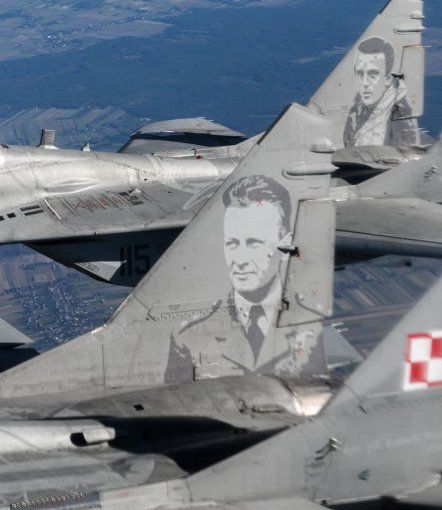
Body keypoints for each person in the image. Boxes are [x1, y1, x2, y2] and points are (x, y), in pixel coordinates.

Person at [165, 175, 321, 381]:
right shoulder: (186, 335)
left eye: (253, 243)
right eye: (232, 243)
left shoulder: (312, 326)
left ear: (284, 241)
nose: (240, 260)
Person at [343, 36, 420, 148]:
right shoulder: (357, 110)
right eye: (360, 73)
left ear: (388, 79)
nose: (365, 82)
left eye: (373, 74)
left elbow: (405, 151)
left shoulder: (400, 116)